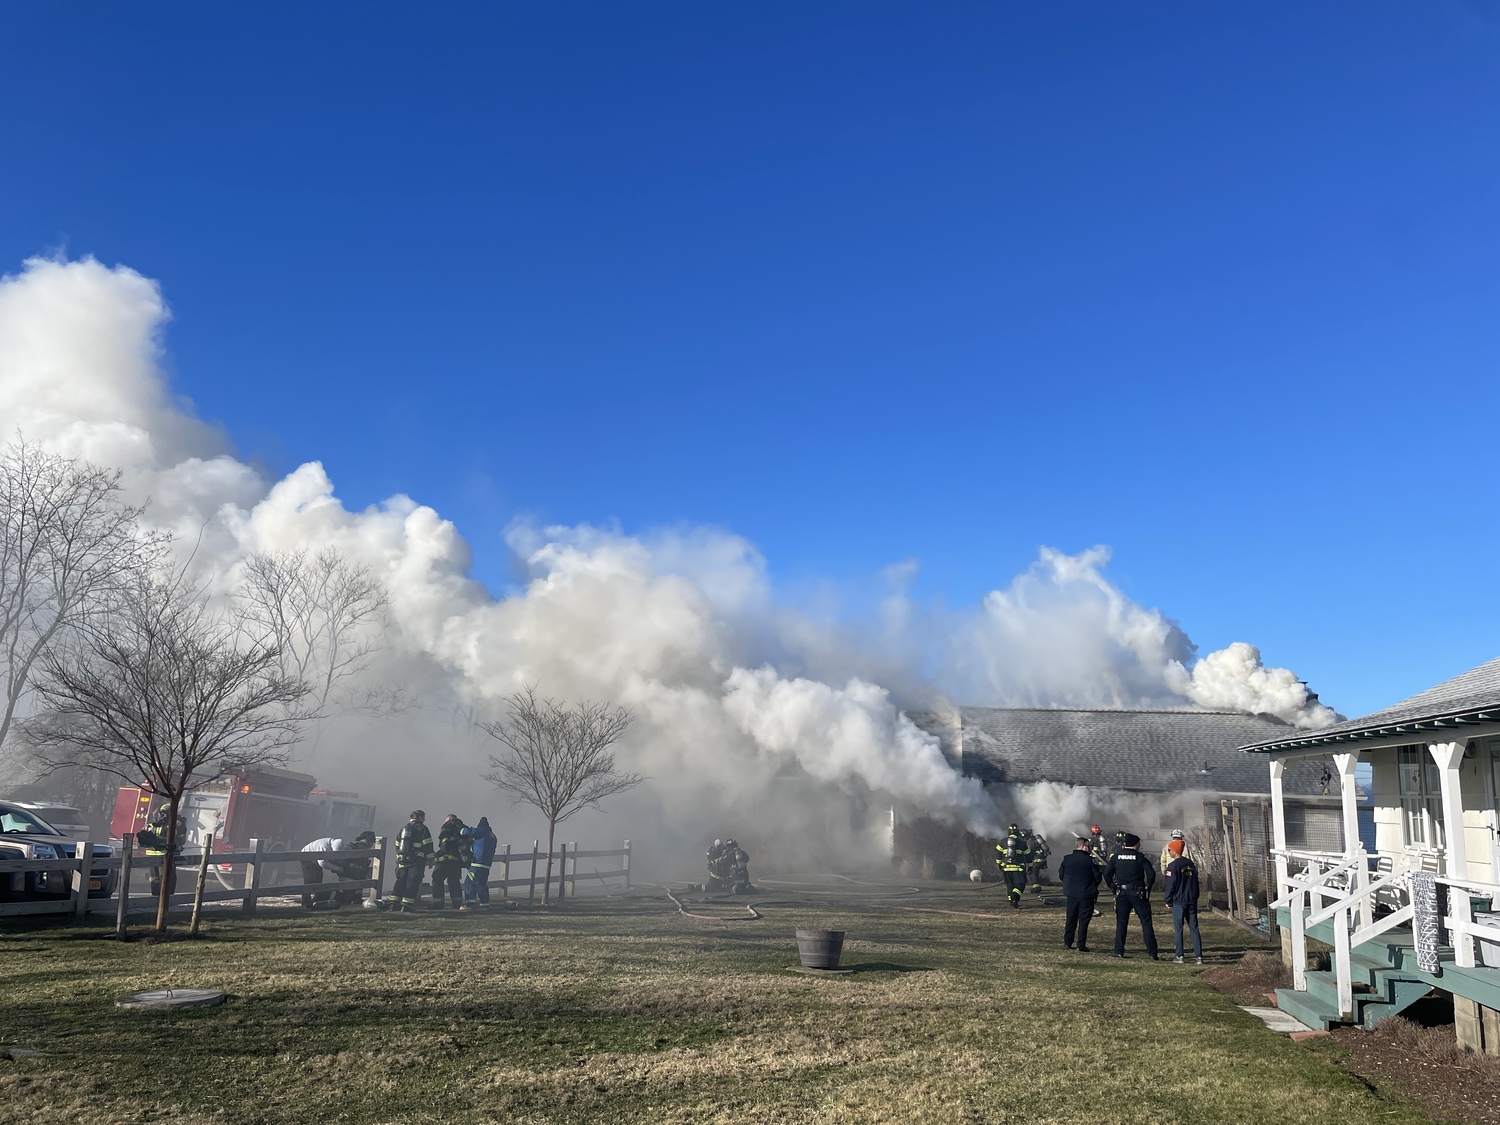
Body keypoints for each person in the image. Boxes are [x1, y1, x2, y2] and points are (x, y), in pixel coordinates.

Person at [1104, 832, 1159, 960]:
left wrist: (1112, 886)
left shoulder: (1116, 857)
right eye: (1139, 843)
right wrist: (1148, 887)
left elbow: (1107, 874)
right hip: (1138, 893)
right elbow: (1151, 874)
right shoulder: (1140, 857)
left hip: (1121, 893)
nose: (1140, 846)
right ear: (1135, 845)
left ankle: (1119, 950)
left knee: (1121, 923)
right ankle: (1152, 952)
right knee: (1146, 923)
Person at [299, 832, 377, 908]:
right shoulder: (324, 847)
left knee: (318, 878)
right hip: (306, 857)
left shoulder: (339, 846)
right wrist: (338, 868)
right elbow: (323, 863)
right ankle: (305, 901)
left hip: (317, 859)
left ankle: (316, 900)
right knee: (309, 879)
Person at [1057, 837, 1102, 951]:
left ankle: (1067, 942)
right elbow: (1097, 877)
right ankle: (1080, 944)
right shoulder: (1091, 860)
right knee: (1084, 921)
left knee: (1070, 919)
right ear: (1082, 846)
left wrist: (1069, 884)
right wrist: (1091, 886)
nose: (1090, 849)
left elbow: (1061, 874)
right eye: (1088, 846)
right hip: (1086, 894)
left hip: (1071, 894)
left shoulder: (1067, 859)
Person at [1163, 839, 1204, 965]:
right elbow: (1195, 883)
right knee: (1194, 928)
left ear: (1174, 851)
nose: (1168, 852)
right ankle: (1199, 957)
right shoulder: (1190, 864)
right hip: (1191, 900)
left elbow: (1171, 885)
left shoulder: (1173, 866)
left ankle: (1180, 956)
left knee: (1178, 929)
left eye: (1169, 850)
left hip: (1179, 901)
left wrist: (1168, 900)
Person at [391, 810, 432, 912]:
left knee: (400, 881)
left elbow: (397, 843)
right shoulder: (423, 829)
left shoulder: (404, 828)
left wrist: (399, 857)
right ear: (421, 818)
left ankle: (393, 904)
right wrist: (431, 858)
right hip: (416, 861)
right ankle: (407, 905)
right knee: (412, 883)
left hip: (402, 861)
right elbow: (427, 845)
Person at [431, 814, 468, 910]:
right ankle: (457, 904)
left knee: (437, 879)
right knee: (454, 882)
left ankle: (438, 904)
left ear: (448, 819)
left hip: (445, 859)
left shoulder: (447, 826)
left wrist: (438, 854)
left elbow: (444, 843)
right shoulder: (463, 828)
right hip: (457, 861)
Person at [461, 816, 497, 908]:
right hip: (486, 864)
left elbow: (471, 831)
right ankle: (484, 904)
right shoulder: (492, 836)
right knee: (481, 884)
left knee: (469, 883)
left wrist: (461, 830)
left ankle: (470, 902)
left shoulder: (483, 831)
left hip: (478, 863)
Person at [997, 824, 1032, 910]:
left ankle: (1011, 901)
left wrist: (1000, 865)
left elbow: (998, 855)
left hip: (1006, 868)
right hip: (1018, 869)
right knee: (1020, 885)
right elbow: (1028, 856)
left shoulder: (1003, 841)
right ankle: (1015, 897)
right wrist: (1030, 866)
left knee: (1010, 885)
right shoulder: (1021, 842)